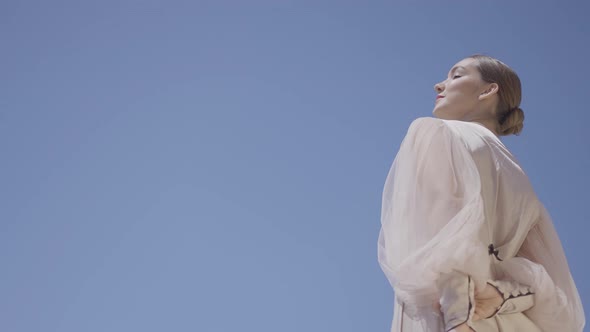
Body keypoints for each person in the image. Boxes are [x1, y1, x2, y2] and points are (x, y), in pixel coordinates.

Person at [377, 54, 585, 332]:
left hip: (448, 314)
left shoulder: (436, 133)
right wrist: (500, 297)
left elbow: (442, 236)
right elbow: (551, 294)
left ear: (489, 90)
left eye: (456, 75)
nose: (439, 85)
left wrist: (456, 314)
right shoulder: (520, 178)